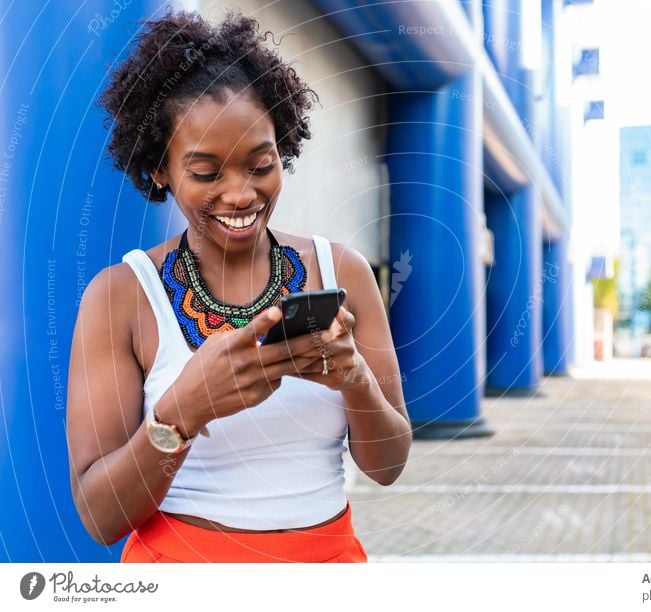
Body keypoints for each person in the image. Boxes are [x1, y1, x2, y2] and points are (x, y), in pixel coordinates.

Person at [66, 7, 411, 563]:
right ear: (160, 168)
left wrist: (354, 379)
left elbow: (389, 465)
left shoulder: (341, 272)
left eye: (261, 164)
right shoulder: (121, 298)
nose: (240, 194)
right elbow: (101, 517)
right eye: (206, 173)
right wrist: (182, 411)